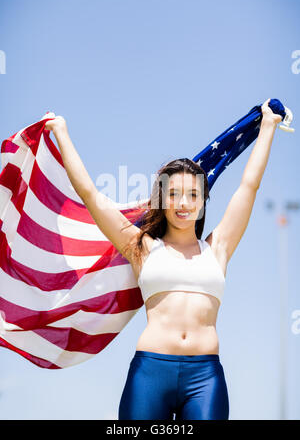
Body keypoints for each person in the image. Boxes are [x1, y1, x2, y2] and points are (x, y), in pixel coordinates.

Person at [43, 98, 282, 420]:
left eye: (193, 195)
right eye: (173, 194)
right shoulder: (140, 246)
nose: (183, 203)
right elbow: (90, 194)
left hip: (205, 377)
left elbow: (248, 186)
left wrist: (268, 126)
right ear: (161, 198)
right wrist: (62, 133)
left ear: (203, 200)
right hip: (151, 372)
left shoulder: (219, 248)